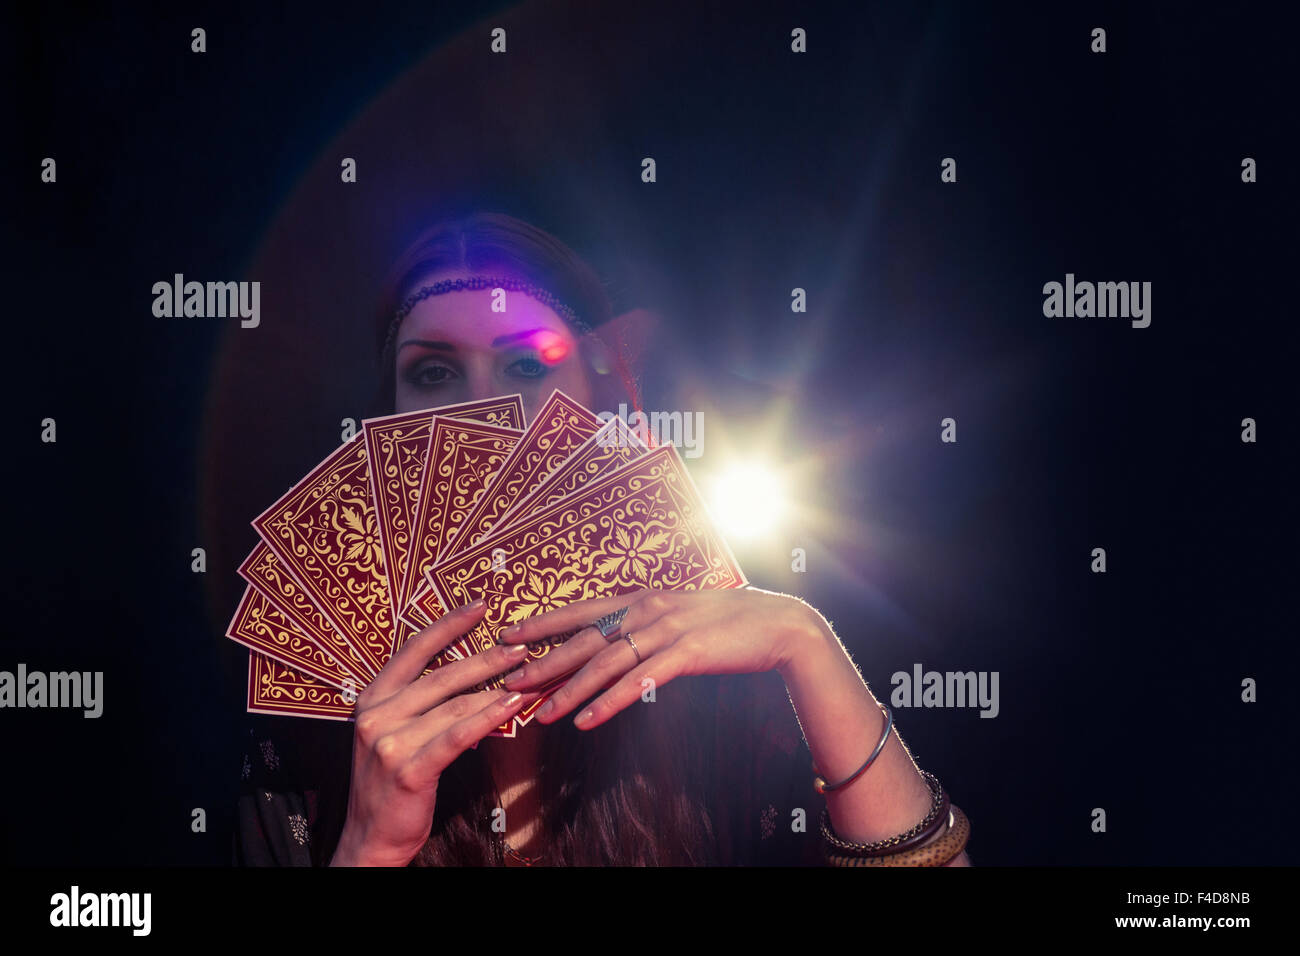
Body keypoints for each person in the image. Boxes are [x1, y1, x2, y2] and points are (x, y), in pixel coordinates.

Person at [235, 211, 971, 867]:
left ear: (599, 399)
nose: (483, 410)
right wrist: (368, 851)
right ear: (386, 422)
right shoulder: (310, 748)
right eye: (432, 370)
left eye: (527, 364)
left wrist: (806, 640)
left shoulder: (722, 695)